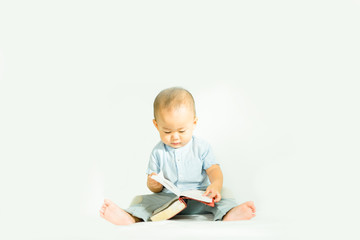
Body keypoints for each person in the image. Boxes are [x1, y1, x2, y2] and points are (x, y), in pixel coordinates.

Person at [99, 87, 256, 225]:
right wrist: (154, 184)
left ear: (194, 123)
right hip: (168, 201)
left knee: (225, 196)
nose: (175, 137)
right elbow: (154, 187)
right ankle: (130, 217)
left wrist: (215, 185)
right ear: (156, 125)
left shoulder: (202, 147)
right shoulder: (158, 152)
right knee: (141, 201)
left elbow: (214, 169)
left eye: (182, 131)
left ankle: (229, 214)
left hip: (201, 198)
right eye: (167, 131)